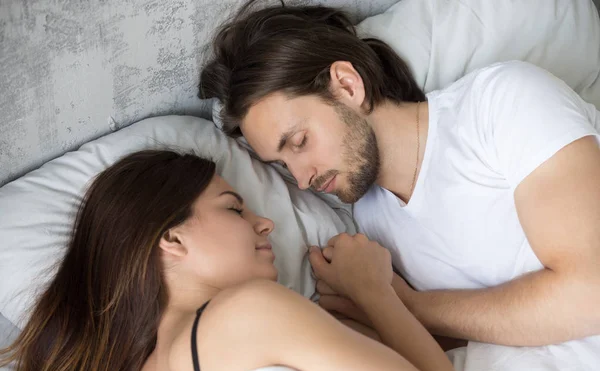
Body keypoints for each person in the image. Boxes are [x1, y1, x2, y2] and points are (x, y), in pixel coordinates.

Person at [199, 1, 600, 347]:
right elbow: (469, 336)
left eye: (300, 142)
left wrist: (410, 307)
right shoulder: (372, 230)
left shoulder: (503, 103)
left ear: (347, 84)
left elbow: (590, 292)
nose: (302, 179)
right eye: (283, 165)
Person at [0, 150, 466, 371]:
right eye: (233, 209)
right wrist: (376, 291)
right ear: (173, 239)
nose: (265, 223)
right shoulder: (250, 313)